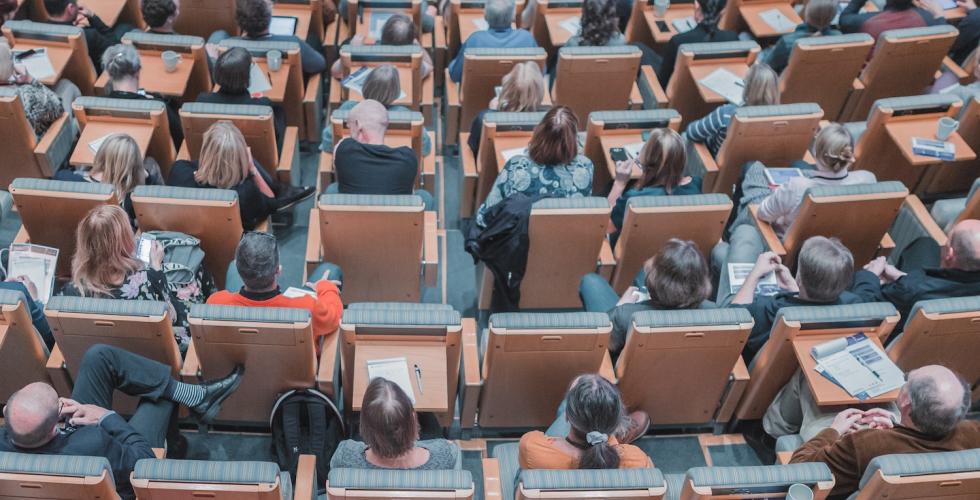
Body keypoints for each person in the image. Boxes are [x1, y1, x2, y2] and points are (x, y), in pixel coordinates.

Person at [0, 345, 243, 499]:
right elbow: (143, 460)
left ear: (7, 410)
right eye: (60, 403)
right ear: (53, 427)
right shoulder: (93, 443)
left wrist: (65, 417)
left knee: (99, 357)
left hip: (60, 442)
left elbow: (44, 440)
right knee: (159, 398)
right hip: (110, 466)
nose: (65, 400)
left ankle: (195, 398)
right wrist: (106, 417)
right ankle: (177, 444)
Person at [787, 365, 980, 497]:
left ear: (905, 403)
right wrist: (897, 427)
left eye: (906, 381)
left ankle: (766, 434)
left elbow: (799, 472)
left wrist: (833, 430)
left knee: (805, 378)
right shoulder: (974, 433)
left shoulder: (862, 445)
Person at [59, 205, 205, 350]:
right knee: (193, 276)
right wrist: (156, 268)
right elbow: (171, 318)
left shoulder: (72, 291)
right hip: (156, 355)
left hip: (100, 356)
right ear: (125, 243)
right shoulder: (145, 283)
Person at [722, 236, 878, 362]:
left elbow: (732, 318)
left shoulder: (773, 311)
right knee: (720, 252)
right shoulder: (856, 309)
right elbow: (868, 292)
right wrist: (796, 291)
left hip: (746, 354)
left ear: (799, 277)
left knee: (745, 233)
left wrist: (755, 273)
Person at [207, 232, 343, 357]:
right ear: (278, 270)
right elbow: (334, 316)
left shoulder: (216, 304)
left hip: (241, 373)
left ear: (239, 269)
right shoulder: (307, 309)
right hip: (295, 375)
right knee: (330, 270)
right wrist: (326, 287)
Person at [168, 121, 315, 230]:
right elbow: (272, 202)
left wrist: (213, 162)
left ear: (206, 150)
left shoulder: (178, 171)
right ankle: (285, 190)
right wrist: (251, 168)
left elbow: (198, 167)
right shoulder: (244, 194)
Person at [579, 239, 713, 356]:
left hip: (628, 365)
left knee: (590, 281)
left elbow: (599, 345)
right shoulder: (714, 313)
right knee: (640, 276)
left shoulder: (624, 316)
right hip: (679, 369)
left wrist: (620, 306)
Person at [475, 106, 593, 227]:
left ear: (539, 132)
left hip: (517, 242)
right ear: (573, 140)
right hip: (564, 240)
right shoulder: (585, 166)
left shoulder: (517, 166)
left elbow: (484, 217)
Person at [754, 124, 876, 236]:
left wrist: (780, 203)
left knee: (754, 168)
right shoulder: (868, 179)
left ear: (815, 152)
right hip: (838, 242)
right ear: (850, 154)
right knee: (798, 163)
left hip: (796, 244)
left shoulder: (796, 186)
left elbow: (762, 214)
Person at [859, 219, 980, 324]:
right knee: (926, 245)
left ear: (950, 254)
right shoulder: (913, 286)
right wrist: (903, 277)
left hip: (898, 330)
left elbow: (865, 308)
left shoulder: (910, 289)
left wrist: (870, 275)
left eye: (948, 239)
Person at [519, 374, 652, 469]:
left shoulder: (532, 447)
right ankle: (617, 436)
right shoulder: (638, 461)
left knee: (578, 393)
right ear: (616, 422)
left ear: (567, 417)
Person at [330, 378, 460, 470]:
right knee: (430, 418)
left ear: (363, 425)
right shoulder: (446, 455)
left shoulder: (345, 456)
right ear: (414, 419)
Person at [331, 99, 434, 207]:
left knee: (332, 189)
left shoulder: (343, 150)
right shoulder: (408, 158)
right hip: (396, 223)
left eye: (349, 126)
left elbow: (339, 173)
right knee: (423, 195)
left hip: (350, 221)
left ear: (358, 125)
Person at [606, 128, 702, 244]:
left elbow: (605, 227)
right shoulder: (696, 184)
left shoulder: (634, 199)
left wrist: (619, 183)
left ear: (647, 158)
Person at [54, 133, 161, 228]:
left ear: (100, 154)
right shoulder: (129, 202)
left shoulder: (63, 178)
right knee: (151, 162)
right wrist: (147, 177)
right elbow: (158, 202)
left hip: (65, 231)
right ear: (132, 169)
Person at [320, 64, 432, 155]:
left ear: (365, 86)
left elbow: (328, 143)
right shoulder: (405, 114)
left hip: (355, 163)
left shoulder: (348, 109)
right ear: (396, 92)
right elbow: (425, 148)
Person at [197, 47, 285, 151]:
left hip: (215, 154)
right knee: (279, 111)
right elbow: (276, 136)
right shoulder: (262, 106)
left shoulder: (202, 101)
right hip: (255, 156)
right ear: (248, 77)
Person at [685, 62, 780, 157]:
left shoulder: (726, 113)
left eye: (744, 82)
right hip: (746, 164)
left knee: (684, 136)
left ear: (748, 89)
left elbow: (692, 133)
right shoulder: (781, 119)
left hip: (712, 160)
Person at [101, 44, 184, 149]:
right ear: (138, 72)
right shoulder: (159, 108)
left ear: (109, 74)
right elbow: (180, 141)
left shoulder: (98, 107)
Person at [468, 61, 546, 157]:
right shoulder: (550, 121)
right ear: (540, 91)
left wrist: (492, 113)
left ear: (506, 88)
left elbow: (473, 147)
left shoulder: (484, 119)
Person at [228, 0, 326, 77]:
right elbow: (320, 65)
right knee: (313, 38)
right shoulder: (293, 44)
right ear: (270, 16)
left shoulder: (229, 47)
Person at [448, 0, 537, 83]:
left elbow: (454, 75)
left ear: (485, 16)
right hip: (515, 97)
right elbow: (540, 71)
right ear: (514, 15)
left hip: (478, 97)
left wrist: (452, 63)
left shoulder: (475, 40)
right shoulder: (526, 38)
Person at [655, 0, 737, 86]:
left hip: (675, 90)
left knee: (642, 49)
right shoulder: (733, 38)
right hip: (708, 91)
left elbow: (662, 81)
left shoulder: (678, 41)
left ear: (697, 5)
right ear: (723, 11)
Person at [331, 14, 434, 80]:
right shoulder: (415, 62)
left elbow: (335, 72)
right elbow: (430, 66)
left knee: (346, 43)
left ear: (382, 34)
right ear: (411, 40)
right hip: (401, 102)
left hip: (365, 99)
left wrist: (352, 50)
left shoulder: (363, 54)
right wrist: (418, 47)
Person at [0, 41, 64, 137]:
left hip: (7, 148)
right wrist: (30, 79)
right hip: (40, 145)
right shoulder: (26, 94)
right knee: (67, 85)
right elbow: (59, 108)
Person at [42, 0, 125, 72]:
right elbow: (118, 51)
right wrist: (92, 17)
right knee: (124, 27)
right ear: (70, 8)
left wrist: (71, 26)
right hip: (102, 74)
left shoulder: (38, 32)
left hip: (70, 75)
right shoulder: (89, 35)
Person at [763, 0, 840, 73]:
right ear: (833, 16)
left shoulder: (788, 42)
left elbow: (767, 65)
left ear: (807, 12)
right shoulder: (839, 38)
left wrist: (775, 49)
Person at [839, 0, 946, 43]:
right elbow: (945, 37)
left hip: (874, 80)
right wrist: (940, 15)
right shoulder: (927, 18)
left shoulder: (864, 22)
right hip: (914, 77)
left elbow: (844, 20)